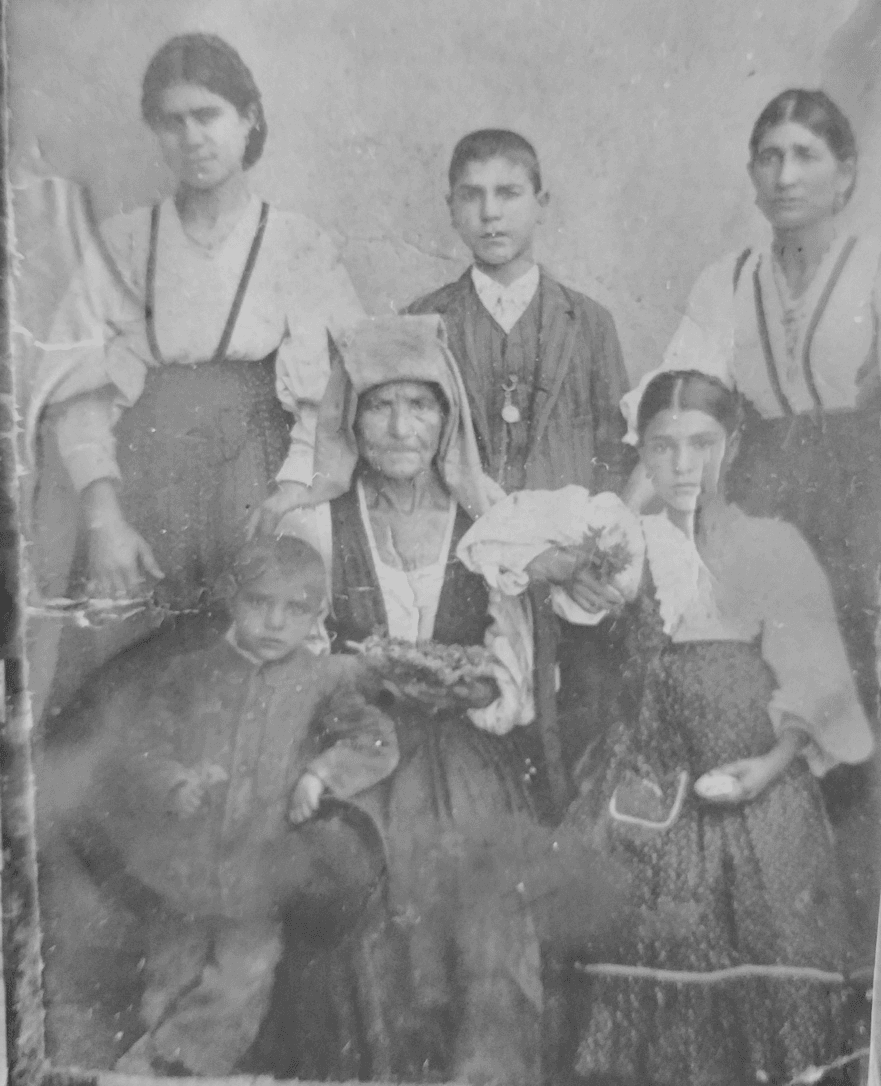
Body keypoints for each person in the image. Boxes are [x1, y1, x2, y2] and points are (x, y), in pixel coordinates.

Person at [560, 370, 873, 1085]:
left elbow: (817, 681)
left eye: (701, 444)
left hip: (757, 800)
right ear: (641, 452)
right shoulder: (623, 549)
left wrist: (766, 767)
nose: (682, 465)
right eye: (663, 447)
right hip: (645, 801)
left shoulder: (771, 545)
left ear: (730, 448)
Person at [275, 315, 543, 1086]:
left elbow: (514, 658)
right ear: (350, 420)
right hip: (358, 750)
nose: (400, 428)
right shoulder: (317, 524)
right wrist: (355, 680)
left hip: (467, 755)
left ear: (447, 417)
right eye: (379, 406)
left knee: (483, 904)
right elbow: (296, 655)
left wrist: (485, 685)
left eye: (419, 406)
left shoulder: (490, 517)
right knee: (367, 897)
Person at [28, 32, 363, 634]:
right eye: (171, 122)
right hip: (142, 483)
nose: (192, 139)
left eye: (208, 116)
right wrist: (105, 519)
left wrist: (293, 496)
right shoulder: (125, 242)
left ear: (248, 118)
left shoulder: (297, 244)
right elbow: (75, 392)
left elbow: (337, 396)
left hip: (257, 484)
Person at [49, 534, 398, 1077]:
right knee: (169, 976)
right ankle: (164, 1059)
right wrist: (173, 782)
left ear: (318, 614)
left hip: (260, 871)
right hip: (180, 870)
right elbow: (145, 744)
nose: (276, 623)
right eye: (260, 603)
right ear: (233, 600)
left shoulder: (322, 681)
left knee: (242, 979)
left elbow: (374, 740)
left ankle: (166, 1068)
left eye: (295, 610)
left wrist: (317, 776)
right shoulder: (189, 673)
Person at [621, 89, 881, 720]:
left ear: (846, 174)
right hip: (763, 492)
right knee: (760, 673)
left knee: (861, 673)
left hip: (866, 502)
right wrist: (620, 518)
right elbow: (675, 405)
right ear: (752, 175)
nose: (786, 176)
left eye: (806, 155)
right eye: (769, 158)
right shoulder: (728, 279)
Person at [403, 129, 636, 811]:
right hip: (465, 569)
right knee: (475, 742)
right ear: (450, 208)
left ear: (542, 202)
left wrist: (595, 557)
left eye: (508, 194)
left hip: (571, 577)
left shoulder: (589, 323)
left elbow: (614, 456)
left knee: (573, 732)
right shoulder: (427, 320)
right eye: (472, 197)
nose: (491, 213)